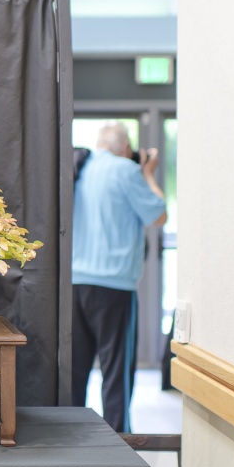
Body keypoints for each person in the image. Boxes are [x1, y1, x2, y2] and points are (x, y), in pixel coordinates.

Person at [71, 121, 167, 433]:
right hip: (114, 286)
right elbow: (158, 215)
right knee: (116, 371)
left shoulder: (77, 167)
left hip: (75, 283)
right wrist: (147, 173)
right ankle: (117, 442)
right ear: (125, 148)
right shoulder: (127, 171)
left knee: (76, 369)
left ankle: (69, 436)